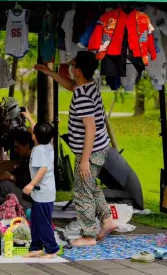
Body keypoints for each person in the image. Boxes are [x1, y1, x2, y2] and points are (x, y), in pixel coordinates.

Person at [36, 51, 115, 247]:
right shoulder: (87, 86)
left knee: (82, 191)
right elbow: (71, 85)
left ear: (77, 70)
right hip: (99, 147)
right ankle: (107, 220)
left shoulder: (82, 97)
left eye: (72, 65)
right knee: (89, 185)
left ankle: (88, 236)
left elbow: (91, 128)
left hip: (91, 151)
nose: (69, 67)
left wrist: (85, 159)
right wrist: (49, 72)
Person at [24, 122, 59, 258]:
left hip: (43, 192)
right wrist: (28, 117)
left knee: (43, 222)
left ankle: (52, 249)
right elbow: (41, 131)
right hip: (42, 192)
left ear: (34, 136)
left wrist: (31, 184)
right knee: (36, 220)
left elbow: (43, 168)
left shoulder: (38, 150)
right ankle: (36, 247)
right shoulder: (48, 146)